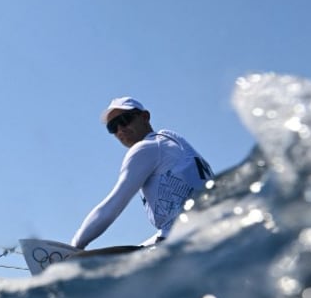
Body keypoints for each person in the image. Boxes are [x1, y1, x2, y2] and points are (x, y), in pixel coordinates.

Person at [66, 96, 213, 255]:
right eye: (113, 127)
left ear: (144, 117)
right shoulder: (174, 143)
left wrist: (74, 248)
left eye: (125, 119)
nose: (120, 129)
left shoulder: (145, 148)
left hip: (183, 241)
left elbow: (113, 205)